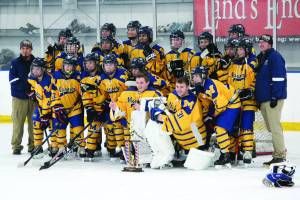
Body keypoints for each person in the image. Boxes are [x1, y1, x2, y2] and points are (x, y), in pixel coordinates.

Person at [192, 66, 241, 167]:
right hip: (225, 104)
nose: (194, 78)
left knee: (220, 128)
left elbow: (221, 105)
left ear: (203, 76)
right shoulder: (202, 85)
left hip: (232, 104)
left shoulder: (210, 86)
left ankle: (225, 155)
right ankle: (228, 152)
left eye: (197, 76)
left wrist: (212, 115)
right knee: (217, 126)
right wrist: (207, 115)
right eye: (194, 76)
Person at [255, 34, 287, 166]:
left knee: (275, 128)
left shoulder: (275, 57)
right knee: (270, 127)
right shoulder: (263, 57)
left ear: (270, 44)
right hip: (264, 99)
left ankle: (280, 155)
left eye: (264, 42)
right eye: (260, 41)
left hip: (272, 99)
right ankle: (278, 153)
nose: (261, 44)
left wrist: (275, 96)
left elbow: (279, 78)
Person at [227, 38, 257, 164]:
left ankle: (248, 151)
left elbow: (254, 81)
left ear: (247, 50)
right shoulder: (233, 65)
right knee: (234, 127)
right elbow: (229, 82)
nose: (238, 51)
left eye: (241, 49)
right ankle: (233, 151)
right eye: (237, 49)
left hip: (249, 102)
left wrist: (250, 90)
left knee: (246, 126)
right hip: (235, 101)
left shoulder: (252, 63)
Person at [9, 39, 36, 155]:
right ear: (20, 49)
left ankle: (33, 145)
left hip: (34, 98)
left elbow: (40, 78)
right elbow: (13, 80)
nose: (25, 51)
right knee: (18, 123)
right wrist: (27, 90)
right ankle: (16, 146)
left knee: (34, 123)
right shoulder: (15, 63)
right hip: (19, 99)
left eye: (28, 48)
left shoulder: (36, 62)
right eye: (23, 48)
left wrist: (34, 91)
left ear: (31, 49)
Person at [27, 58, 56, 158]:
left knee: (52, 127)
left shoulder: (48, 81)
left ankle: (54, 147)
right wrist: (32, 93)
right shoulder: (33, 77)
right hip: (40, 106)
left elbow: (47, 101)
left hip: (50, 108)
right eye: (33, 68)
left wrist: (45, 116)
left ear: (43, 69)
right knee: (36, 123)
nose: (35, 70)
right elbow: (32, 85)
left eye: (37, 69)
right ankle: (38, 147)